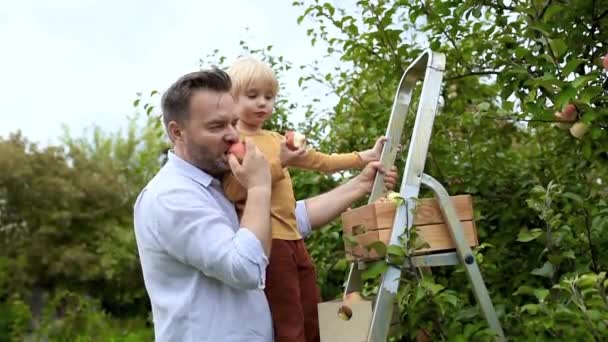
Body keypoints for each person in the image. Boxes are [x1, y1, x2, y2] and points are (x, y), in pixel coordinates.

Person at [133, 68, 398, 342]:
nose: (233, 136)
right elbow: (246, 267)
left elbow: (282, 219)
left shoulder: (215, 183)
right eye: (216, 126)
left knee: (330, 322)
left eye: (233, 123)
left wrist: (360, 184)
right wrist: (259, 186)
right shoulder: (171, 196)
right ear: (177, 132)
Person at [223, 56, 385, 342]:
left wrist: (362, 158)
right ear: (232, 100)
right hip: (270, 244)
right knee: (288, 319)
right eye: (253, 96)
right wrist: (281, 163)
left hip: (294, 238)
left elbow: (319, 161)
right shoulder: (236, 145)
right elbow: (235, 190)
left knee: (312, 309)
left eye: (269, 97)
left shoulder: (274, 139)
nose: (263, 103)